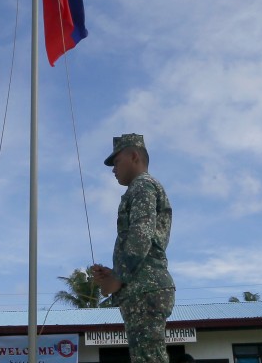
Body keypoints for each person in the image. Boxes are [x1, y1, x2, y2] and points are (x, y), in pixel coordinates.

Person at [92, 133, 175, 363]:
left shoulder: (143, 186)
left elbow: (141, 235)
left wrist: (119, 278)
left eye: (116, 161)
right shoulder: (142, 188)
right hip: (143, 286)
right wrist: (115, 275)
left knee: (149, 358)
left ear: (134, 156)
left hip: (145, 289)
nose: (113, 169)